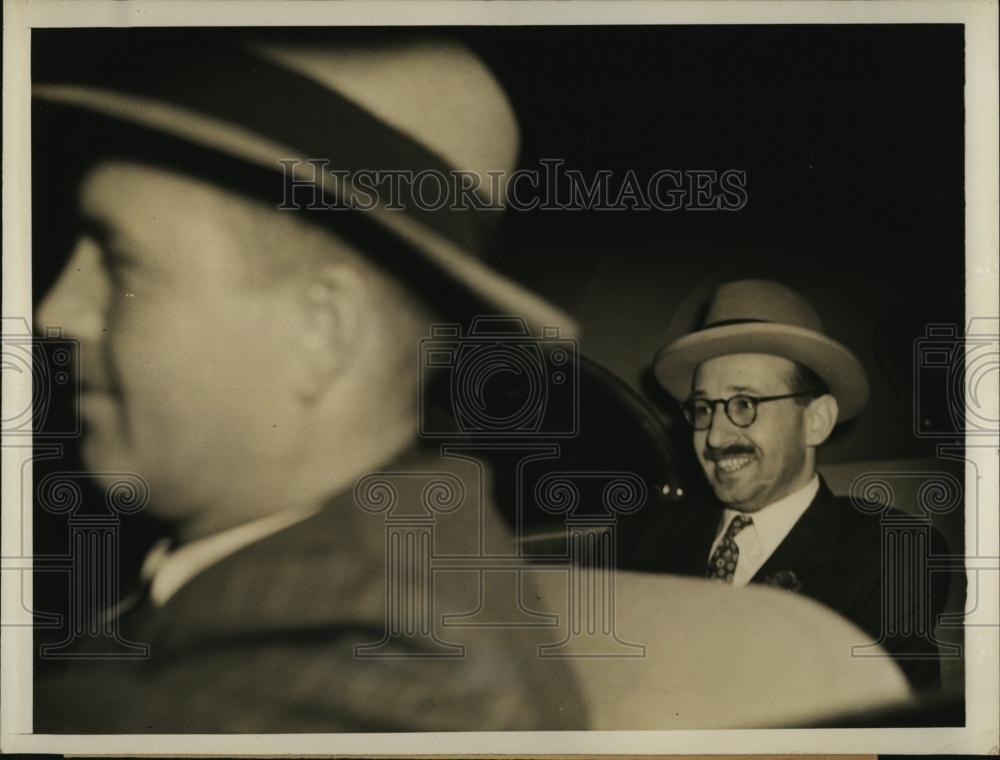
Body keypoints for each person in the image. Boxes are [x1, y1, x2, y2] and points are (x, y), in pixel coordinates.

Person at [31, 30, 588, 733]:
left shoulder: (375, 687)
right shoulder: (338, 580)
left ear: (322, 331)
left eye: (119, 264)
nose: (55, 314)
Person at [620, 279, 950, 693]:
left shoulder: (892, 556)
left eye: (744, 404)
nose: (716, 437)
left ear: (816, 421)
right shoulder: (651, 538)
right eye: (703, 409)